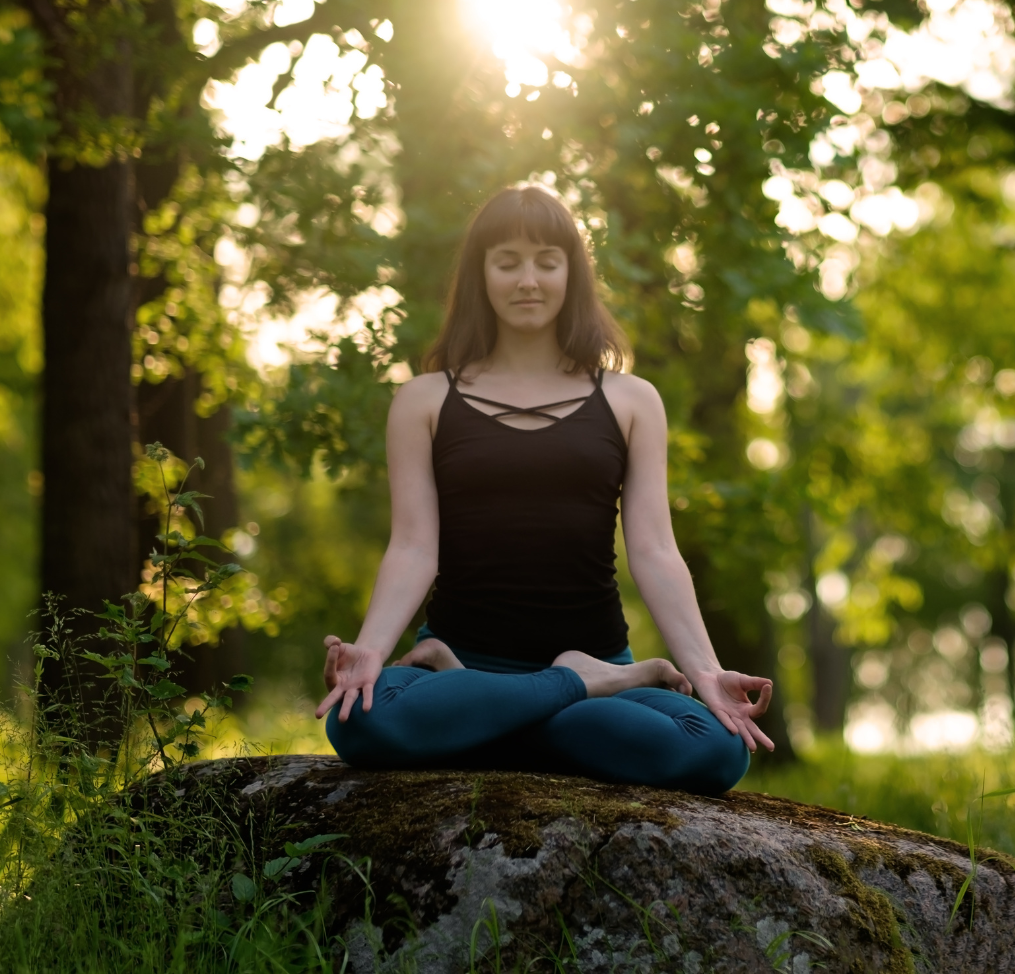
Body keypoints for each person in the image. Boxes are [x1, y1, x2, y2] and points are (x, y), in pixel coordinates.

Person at [315, 185, 773, 794]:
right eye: (507, 262)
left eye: (546, 262)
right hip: (470, 665)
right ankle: (573, 687)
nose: (527, 279)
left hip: (577, 660)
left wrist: (707, 671)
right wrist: (371, 650)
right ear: (481, 275)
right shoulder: (423, 401)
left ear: (572, 274)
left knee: (717, 750)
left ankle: (503, 712)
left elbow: (656, 550)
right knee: (360, 725)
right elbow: (413, 546)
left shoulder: (631, 401)